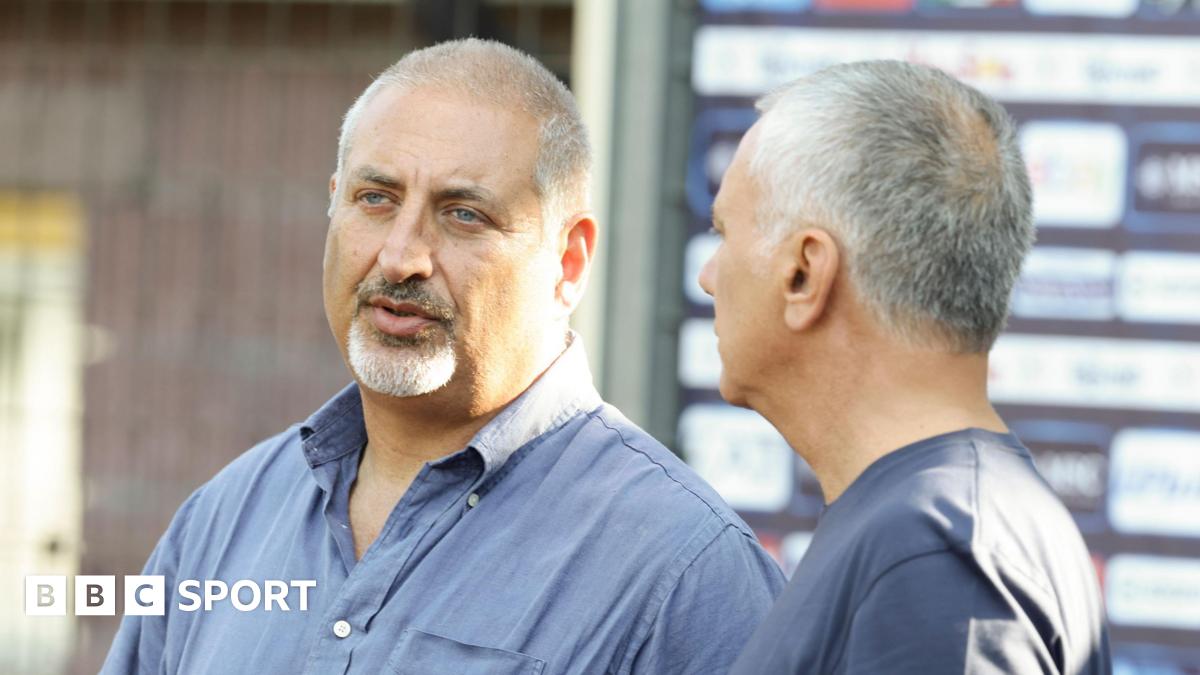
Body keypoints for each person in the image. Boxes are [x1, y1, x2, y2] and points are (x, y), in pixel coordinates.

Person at [102, 38, 784, 674]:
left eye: (463, 214)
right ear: (334, 205)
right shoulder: (223, 522)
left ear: (568, 261)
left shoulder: (686, 575)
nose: (401, 257)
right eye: (376, 199)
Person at [700, 60, 1111, 674]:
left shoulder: (935, 554)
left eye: (724, 234)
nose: (708, 277)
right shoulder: (938, 528)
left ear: (804, 274)